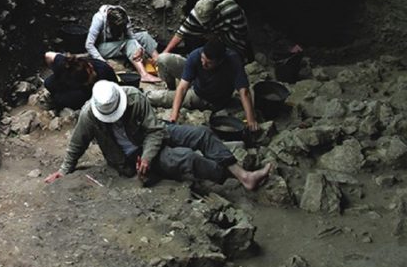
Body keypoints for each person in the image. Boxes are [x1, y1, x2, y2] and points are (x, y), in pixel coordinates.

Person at [44, 80, 271, 190]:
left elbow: (154, 131)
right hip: (129, 158)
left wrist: (149, 156)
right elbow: (77, 145)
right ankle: (231, 178)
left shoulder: (133, 97)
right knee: (186, 158)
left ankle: (244, 175)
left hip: (151, 136)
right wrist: (64, 171)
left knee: (201, 134)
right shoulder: (88, 115)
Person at [146, 40, 259, 131]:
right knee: (164, 59)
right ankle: (148, 93)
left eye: (209, 63)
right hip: (197, 85)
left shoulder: (233, 61)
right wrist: (174, 114)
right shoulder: (196, 55)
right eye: (202, 59)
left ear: (220, 61)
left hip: (205, 97)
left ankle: (149, 95)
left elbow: (244, 92)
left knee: (159, 97)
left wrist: (251, 120)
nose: (203, 63)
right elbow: (183, 87)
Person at [163, 0, 254, 63]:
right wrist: (164, 53)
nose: (203, 23)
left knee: (234, 56)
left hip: (229, 31)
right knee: (193, 39)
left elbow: (241, 35)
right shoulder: (196, 13)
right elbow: (181, 33)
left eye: (206, 21)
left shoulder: (231, 10)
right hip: (212, 32)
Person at [84, 4, 161, 83]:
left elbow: (131, 36)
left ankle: (159, 63)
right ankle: (144, 75)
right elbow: (89, 44)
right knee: (129, 43)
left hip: (118, 42)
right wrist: (103, 62)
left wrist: (140, 49)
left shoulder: (123, 16)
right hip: (102, 47)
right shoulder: (99, 19)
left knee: (144, 36)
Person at [43, 51, 117, 110]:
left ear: (90, 67)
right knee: (48, 83)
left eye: (89, 80)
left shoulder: (104, 71)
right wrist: (56, 73)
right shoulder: (66, 64)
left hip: (91, 91)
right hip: (75, 83)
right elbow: (48, 55)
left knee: (63, 99)